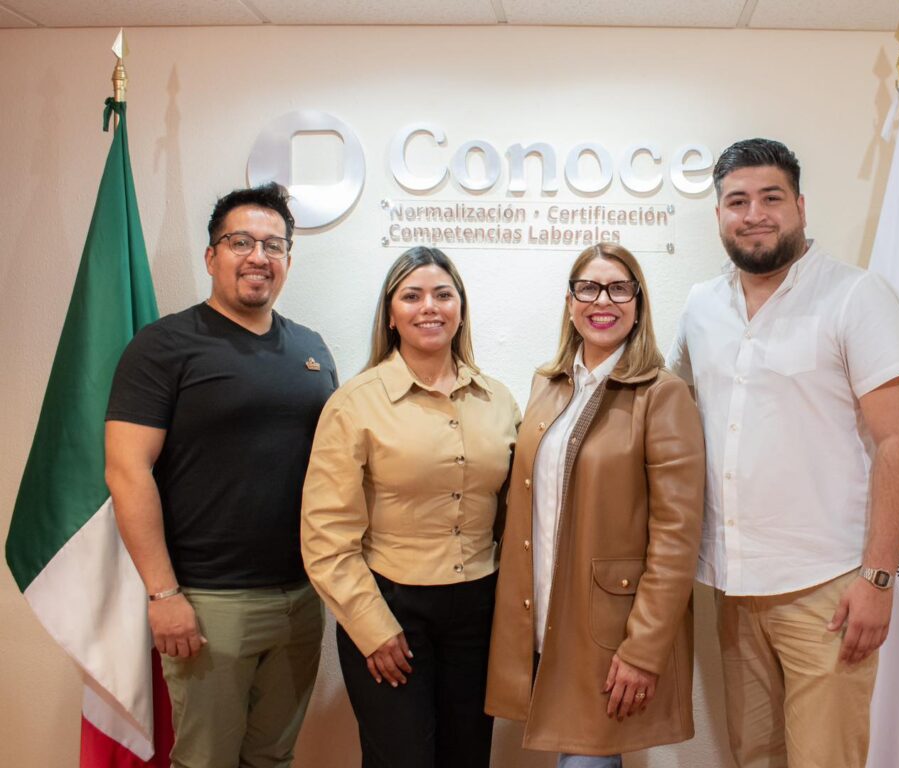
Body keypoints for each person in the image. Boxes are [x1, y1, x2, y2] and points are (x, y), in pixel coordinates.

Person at [667, 138, 899, 768]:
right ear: (720, 215)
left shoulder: (856, 297)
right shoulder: (702, 305)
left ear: (801, 206)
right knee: (754, 757)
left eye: (771, 197)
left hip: (830, 591)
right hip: (735, 586)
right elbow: (669, 412)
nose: (754, 213)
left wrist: (878, 579)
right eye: (737, 201)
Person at [104, 183, 337, 768]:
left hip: (301, 597)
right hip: (209, 602)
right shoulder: (163, 347)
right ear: (211, 256)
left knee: (273, 757)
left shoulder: (312, 350)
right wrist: (163, 594)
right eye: (240, 242)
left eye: (273, 245)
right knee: (205, 760)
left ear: (288, 259)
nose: (258, 256)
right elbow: (127, 470)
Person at [486, 243, 705, 767]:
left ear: (638, 302)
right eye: (588, 287)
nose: (602, 300)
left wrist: (644, 649)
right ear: (569, 301)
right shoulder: (549, 384)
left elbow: (677, 538)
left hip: (611, 629)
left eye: (618, 288)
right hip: (540, 612)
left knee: (587, 761)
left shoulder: (661, 394)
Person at [301, 246, 519, 768]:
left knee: (467, 758)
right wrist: (372, 627)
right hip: (390, 607)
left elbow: (518, 513)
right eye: (412, 295)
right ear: (391, 314)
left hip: (478, 611)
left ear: (460, 308)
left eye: (443, 294)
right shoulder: (354, 403)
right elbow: (326, 536)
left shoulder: (499, 400)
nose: (430, 307)